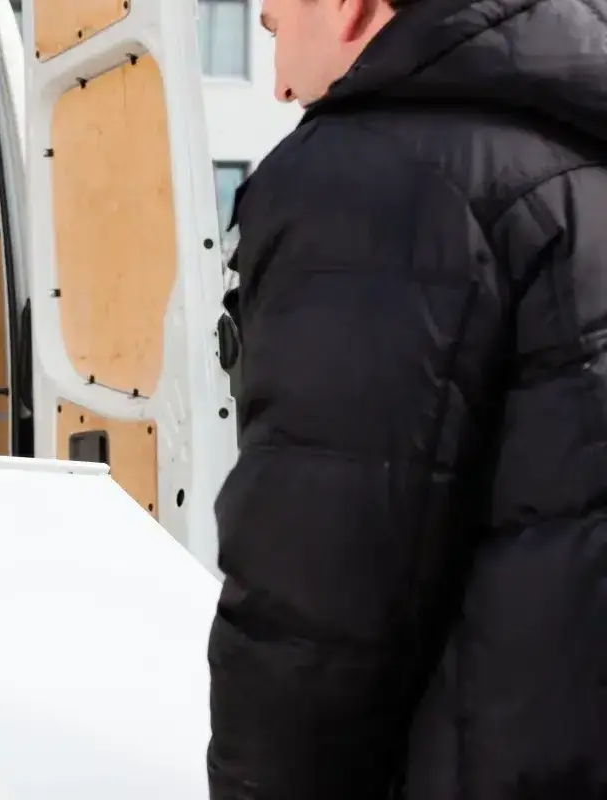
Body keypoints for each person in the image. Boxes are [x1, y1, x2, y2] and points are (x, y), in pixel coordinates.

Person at [207, 0, 607, 796]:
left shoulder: (370, 179)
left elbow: (315, 609)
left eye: (274, 18)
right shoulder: (578, 154)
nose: (278, 76)